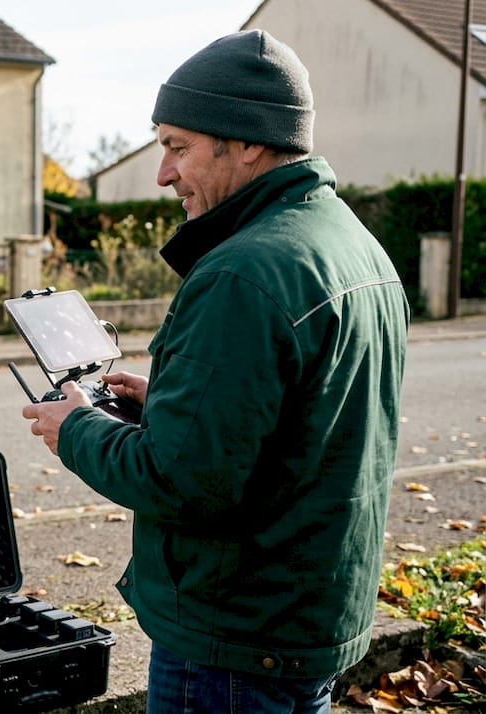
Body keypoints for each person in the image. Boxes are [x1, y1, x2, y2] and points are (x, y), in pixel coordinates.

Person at [22, 29, 409, 713]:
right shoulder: (356, 247)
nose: (163, 173)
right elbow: (296, 426)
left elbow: (180, 480)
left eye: (177, 146)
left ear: (249, 141)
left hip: (235, 640)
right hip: (310, 620)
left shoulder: (242, 272)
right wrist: (169, 403)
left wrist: (75, 427)